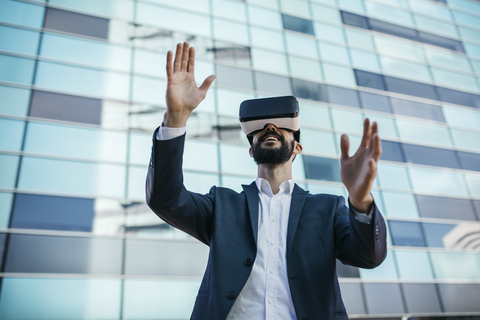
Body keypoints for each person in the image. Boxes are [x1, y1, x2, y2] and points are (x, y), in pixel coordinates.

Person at [146, 42, 387, 320]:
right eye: (260, 129)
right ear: (252, 150)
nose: (270, 127)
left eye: (280, 126)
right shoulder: (222, 206)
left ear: (297, 148)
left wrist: (360, 201)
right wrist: (176, 118)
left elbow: (369, 256)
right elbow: (164, 199)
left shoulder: (327, 209)